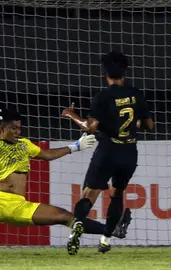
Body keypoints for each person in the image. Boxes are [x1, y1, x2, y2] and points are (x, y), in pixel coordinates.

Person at [62, 51, 154, 255]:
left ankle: (76, 229)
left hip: (108, 150)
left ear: (105, 73)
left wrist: (71, 114)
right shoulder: (136, 93)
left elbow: (89, 127)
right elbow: (149, 124)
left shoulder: (103, 97)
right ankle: (106, 239)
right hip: (130, 152)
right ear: (125, 72)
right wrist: (133, 122)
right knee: (117, 193)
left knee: (89, 193)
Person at [0, 108, 130, 243]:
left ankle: (112, 230)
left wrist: (76, 146)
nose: (17, 132)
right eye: (13, 128)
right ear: (2, 129)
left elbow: (47, 155)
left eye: (19, 128)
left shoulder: (24, 144)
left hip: (17, 205)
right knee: (66, 217)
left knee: (65, 216)